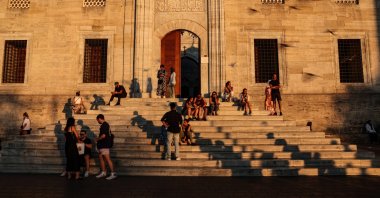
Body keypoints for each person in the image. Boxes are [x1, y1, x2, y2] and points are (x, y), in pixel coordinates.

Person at [95, 114, 117, 180]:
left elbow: (104, 135)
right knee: (101, 158)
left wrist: (97, 139)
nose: (97, 121)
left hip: (104, 144)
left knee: (107, 159)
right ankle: (103, 172)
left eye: (97, 120)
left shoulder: (104, 125)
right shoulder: (105, 125)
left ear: (99, 119)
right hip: (102, 145)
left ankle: (113, 173)